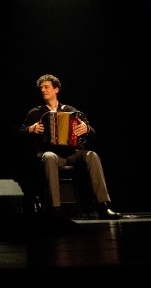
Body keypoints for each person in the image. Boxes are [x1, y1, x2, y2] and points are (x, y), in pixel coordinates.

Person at [18, 74, 121, 220]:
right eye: (41, 88)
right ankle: (55, 209)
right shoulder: (35, 113)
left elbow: (93, 134)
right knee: (49, 156)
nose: (42, 90)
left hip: (70, 155)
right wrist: (30, 129)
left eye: (46, 87)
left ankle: (104, 206)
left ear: (56, 89)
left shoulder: (70, 110)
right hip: (48, 155)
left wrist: (87, 128)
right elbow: (19, 134)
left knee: (91, 155)